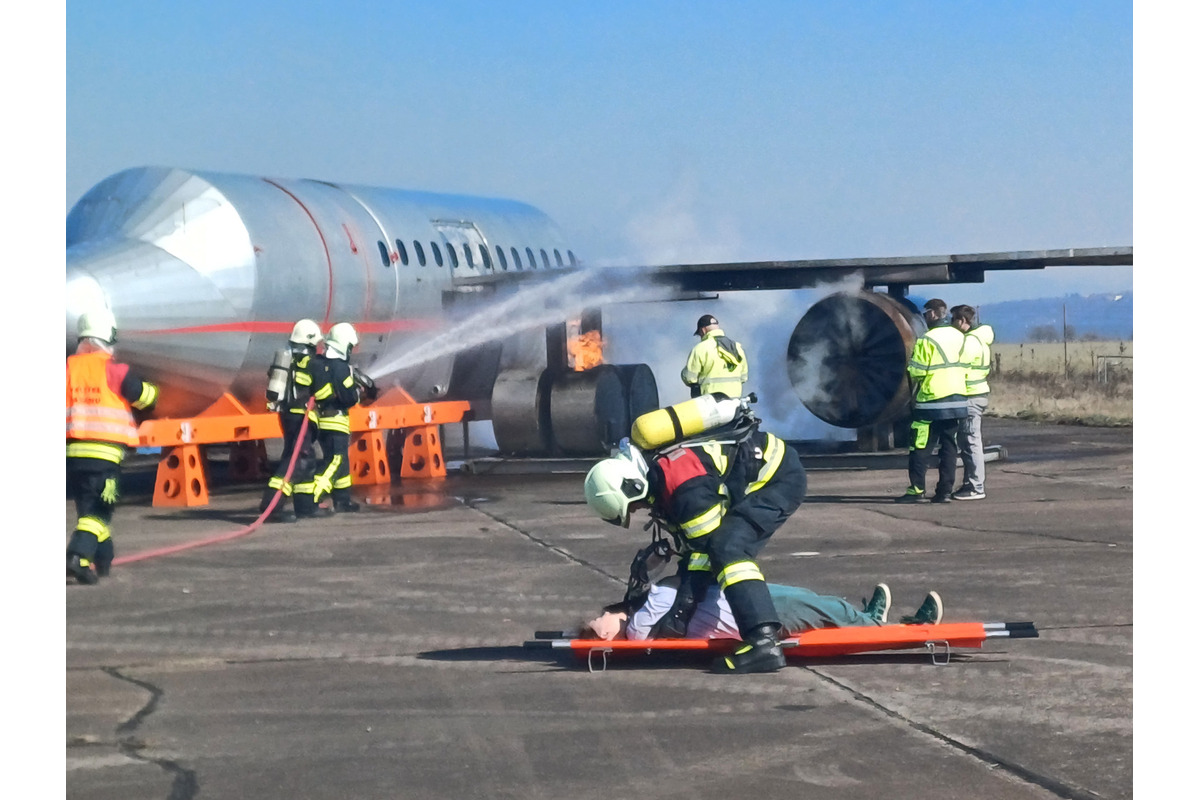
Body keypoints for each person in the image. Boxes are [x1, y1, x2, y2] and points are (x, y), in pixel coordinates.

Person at [583, 410, 806, 674]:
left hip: (778, 479)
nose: (639, 510)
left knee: (728, 549)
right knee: (718, 550)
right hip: (757, 473)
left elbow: (707, 548)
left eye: (634, 506)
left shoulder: (684, 488)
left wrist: (681, 611)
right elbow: (696, 551)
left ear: (633, 486)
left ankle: (763, 642)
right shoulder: (661, 476)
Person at [66, 308, 159, 584]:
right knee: (102, 509)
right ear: (108, 336)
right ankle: (77, 556)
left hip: (73, 455)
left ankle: (102, 560)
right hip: (106, 456)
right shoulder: (114, 370)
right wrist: (156, 389)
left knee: (88, 512)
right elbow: (145, 398)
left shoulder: (67, 367)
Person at [583, 578, 944, 642]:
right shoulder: (638, 627)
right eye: (599, 620)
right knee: (822, 608)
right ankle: (910, 629)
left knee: (815, 601)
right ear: (605, 632)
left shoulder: (645, 615)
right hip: (753, 615)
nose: (599, 617)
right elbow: (671, 586)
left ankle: (866, 619)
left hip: (745, 598)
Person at [896, 299, 968, 504]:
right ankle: (944, 491)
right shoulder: (960, 337)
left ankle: (917, 490)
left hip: (931, 403)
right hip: (957, 402)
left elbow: (916, 371)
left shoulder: (928, 339)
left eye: (927, 313)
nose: (925, 317)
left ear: (935, 314)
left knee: (920, 447)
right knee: (949, 448)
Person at [259, 319, 323, 522]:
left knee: (305, 460)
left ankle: (306, 507)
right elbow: (323, 391)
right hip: (300, 416)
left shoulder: (288, 361)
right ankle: (271, 506)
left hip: (288, 415)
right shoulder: (312, 364)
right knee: (298, 460)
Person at [311, 322, 376, 513]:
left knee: (342, 462)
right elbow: (348, 398)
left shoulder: (321, 363)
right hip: (335, 421)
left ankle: (342, 500)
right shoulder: (340, 368)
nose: (350, 351)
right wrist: (359, 392)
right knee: (335, 461)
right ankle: (311, 497)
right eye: (350, 347)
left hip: (324, 421)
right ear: (343, 345)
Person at [951, 305, 993, 501]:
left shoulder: (969, 342)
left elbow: (956, 365)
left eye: (953, 320)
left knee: (970, 441)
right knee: (969, 440)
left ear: (961, 321)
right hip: (977, 393)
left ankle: (975, 486)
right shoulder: (980, 339)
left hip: (970, 395)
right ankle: (972, 483)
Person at [680, 314, 748, 398]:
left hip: (711, 402)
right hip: (735, 401)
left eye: (700, 334)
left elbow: (689, 378)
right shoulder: (737, 347)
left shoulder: (700, 348)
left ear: (703, 330)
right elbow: (744, 377)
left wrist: (683, 373)